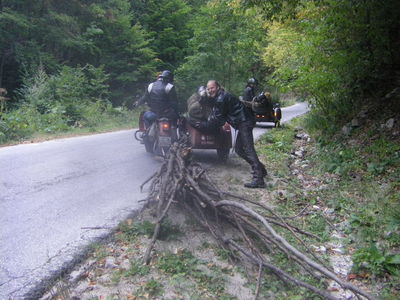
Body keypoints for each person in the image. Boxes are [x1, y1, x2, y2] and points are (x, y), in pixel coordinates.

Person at [190, 80, 267, 188]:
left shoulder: (221, 98)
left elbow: (218, 120)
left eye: (212, 88)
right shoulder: (220, 96)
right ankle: (260, 169)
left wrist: (201, 125)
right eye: (208, 88)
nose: (210, 90)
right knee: (239, 150)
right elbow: (211, 104)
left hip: (244, 122)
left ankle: (258, 179)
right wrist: (203, 98)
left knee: (249, 149)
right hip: (243, 122)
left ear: (217, 87)